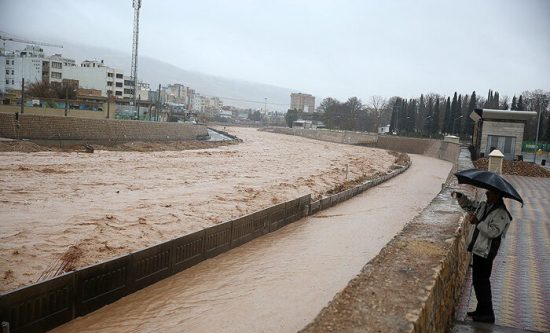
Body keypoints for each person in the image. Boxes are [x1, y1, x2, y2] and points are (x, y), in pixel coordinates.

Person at [453, 188, 512, 323]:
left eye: (489, 192)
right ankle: (481, 310)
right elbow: (470, 206)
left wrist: (478, 222)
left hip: (486, 252)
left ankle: (488, 314)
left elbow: (493, 232)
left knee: (482, 282)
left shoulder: (502, 214)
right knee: (478, 282)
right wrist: (461, 197)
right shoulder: (485, 205)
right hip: (479, 249)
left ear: (497, 195)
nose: (486, 194)